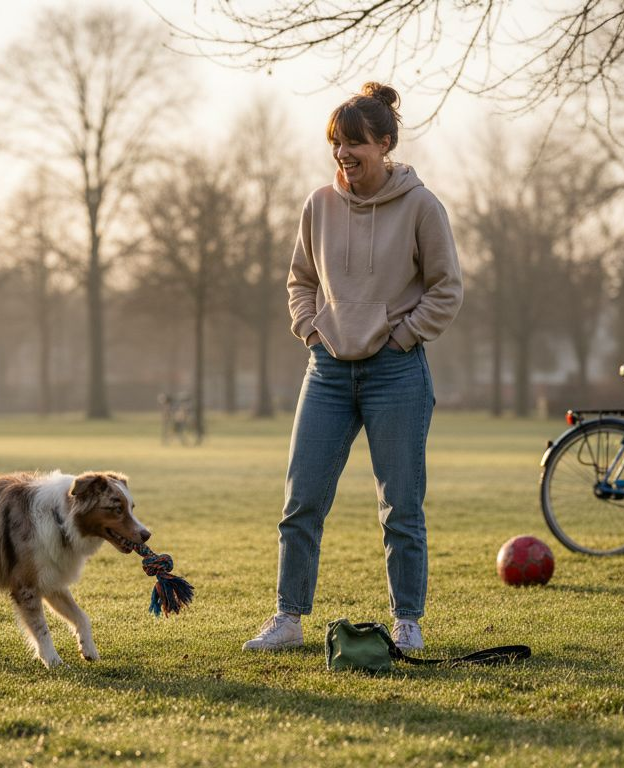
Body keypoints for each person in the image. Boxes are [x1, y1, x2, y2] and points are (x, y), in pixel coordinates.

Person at [242, 82, 463, 652]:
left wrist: (404, 337)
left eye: (355, 143)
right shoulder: (318, 204)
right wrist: (311, 330)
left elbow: (446, 288)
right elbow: (301, 281)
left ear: (385, 143)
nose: (343, 154)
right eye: (336, 143)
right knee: (302, 501)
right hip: (328, 372)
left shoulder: (421, 206)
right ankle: (288, 620)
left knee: (401, 507)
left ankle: (407, 622)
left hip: (397, 373)